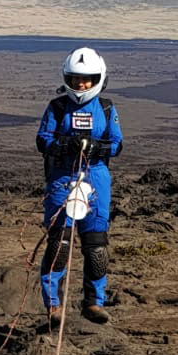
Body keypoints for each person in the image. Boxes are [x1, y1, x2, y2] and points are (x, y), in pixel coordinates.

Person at [36, 47, 123, 325]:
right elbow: (42, 139)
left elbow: (117, 143)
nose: (81, 84)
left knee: (96, 246)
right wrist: (65, 144)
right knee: (59, 243)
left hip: (96, 178)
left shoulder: (106, 108)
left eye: (86, 79)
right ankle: (53, 306)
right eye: (75, 79)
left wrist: (97, 147)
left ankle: (94, 303)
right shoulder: (57, 107)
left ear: (98, 79)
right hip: (63, 178)